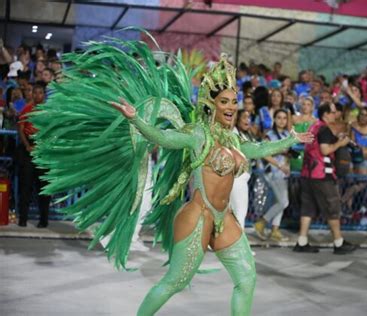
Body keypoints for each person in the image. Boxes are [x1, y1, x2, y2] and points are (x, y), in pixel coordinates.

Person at [30, 35, 313, 316]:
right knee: (175, 282)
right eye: (225, 101)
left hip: (223, 217)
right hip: (198, 216)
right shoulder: (197, 136)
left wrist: (290, 140)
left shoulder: (234, 140)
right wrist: (136, 119)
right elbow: (163, 138)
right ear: (211, 104)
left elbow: (260, 148)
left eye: (234, 101)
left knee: (247, 279)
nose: (231, 107)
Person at [294, 102, 357, 254]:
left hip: (307, 174)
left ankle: (301, 242)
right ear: (326, 114)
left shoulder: (313, 126)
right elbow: (324, 150)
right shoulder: (324, 129)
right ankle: (338, 242)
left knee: (308, 208)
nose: (336, 115)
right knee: (333, 207)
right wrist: (341, 143)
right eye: (333, 112)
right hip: (322, 175)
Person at [254, 109, 291, 242]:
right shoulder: (269, 135)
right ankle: (261, 222)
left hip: (283, 172)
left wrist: (286, 165)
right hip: (273, 172)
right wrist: (279, 165)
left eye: (284, 118)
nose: (282, 120)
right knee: (283, 202)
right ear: (274, 119)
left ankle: (275, 230)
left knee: (280, 202)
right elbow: (264, 154)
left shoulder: (287, 134)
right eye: (279, 118)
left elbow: (288, 153)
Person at [17, 84, 51, 228]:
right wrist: (27, 146)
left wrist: (43, 147)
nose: (37, 95)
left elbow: (52, 131)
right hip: (28, 151)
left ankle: (43, 220)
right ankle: (22, 219)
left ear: (44, 95)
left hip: (43, 152)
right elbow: (20, 128)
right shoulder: (26, 109)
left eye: (40, 93)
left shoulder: (49, 111)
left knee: (44, 188)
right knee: (25, 187)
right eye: (35, 92)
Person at [230, 109, 255, 228]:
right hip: (237, 178)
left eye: (249, 117)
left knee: (233, 212)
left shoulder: (247, 134)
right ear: (237, 119)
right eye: (244, 117)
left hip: (241, 178)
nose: (248, 120)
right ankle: (239, 243)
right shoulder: (234, 133)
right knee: (240, 212)